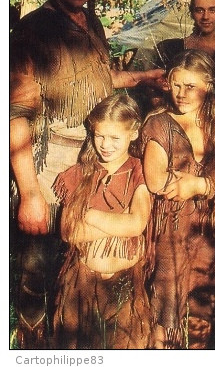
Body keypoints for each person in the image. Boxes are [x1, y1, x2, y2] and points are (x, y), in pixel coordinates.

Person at [9, 0, 165, 348]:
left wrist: (142, 78)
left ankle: (74, 338)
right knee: (37, 259)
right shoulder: (33, 30)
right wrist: (29, 193)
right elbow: (14, 115)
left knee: (76, 254)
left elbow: (97, 81)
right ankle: (31, 343)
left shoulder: (90, 23)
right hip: (48, 158)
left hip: (92, 154)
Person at [141, 50, 215, 349]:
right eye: (176, 85)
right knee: (164, 317)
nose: (182, 94)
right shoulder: (159, 125)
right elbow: (157, 180)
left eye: (191, 86)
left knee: (199, 320)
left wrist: (198, 184)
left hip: (208, 233)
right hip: (170, 233)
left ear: (209, 86)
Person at [52, 94, 151, 349]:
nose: (105, 145)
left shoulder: (140, 171)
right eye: (99, 136)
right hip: (82, 285)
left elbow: (136, 224)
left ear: (134, 133)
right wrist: (118, 223)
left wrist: (88, 215)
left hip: (126, 287)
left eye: (114, 138)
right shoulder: (81, 173)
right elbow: (69, 231)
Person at [154, 0, 215, 71]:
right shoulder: (170, 49)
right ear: (192, 13)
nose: (206, 16)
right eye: (200, 10)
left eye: (212, 10)